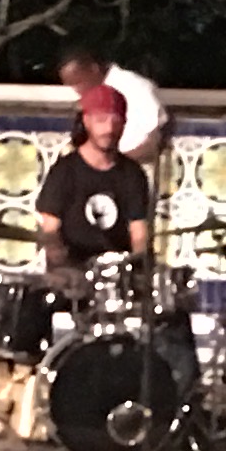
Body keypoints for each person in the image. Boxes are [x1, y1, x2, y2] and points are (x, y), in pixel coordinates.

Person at [34, 85, 153, 280]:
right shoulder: (65, 170)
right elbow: (49, 229)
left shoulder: (132, 173)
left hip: (116, 274)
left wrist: (138, 268)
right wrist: (58, 258)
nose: (109, 129)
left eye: (116, 121)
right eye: (101, 120)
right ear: (86, 121)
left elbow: (139, 232)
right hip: (72, 274)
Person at [53, 43, 167, 173]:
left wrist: (113, 163)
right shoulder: (92, 97)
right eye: (72, 86)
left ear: (94, 69)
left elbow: (151, 140)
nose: (77, 90)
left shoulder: (136, 88)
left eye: (79, 83)